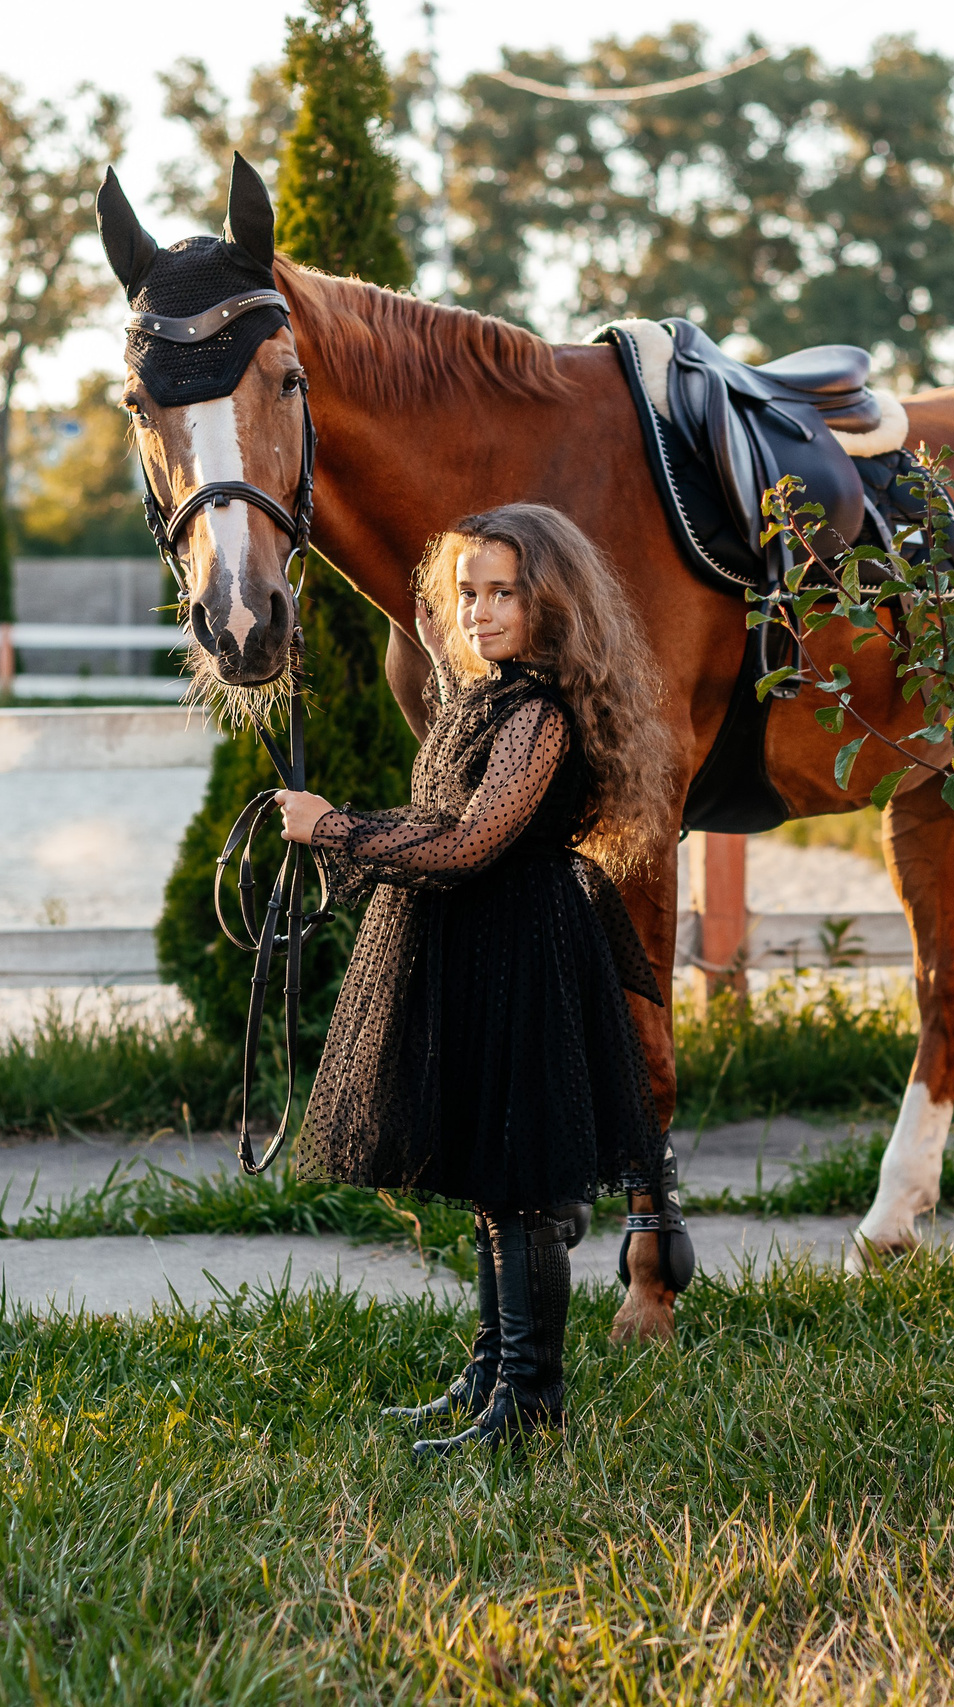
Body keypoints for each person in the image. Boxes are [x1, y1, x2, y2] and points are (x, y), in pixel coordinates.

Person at [274, 503, 676, 1454]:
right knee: (496, 1185)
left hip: (525, 955)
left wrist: (335, 829)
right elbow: (440, 824)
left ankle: (531, 1404)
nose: (483, 612)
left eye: (505, 592)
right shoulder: (485, 699)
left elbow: (468, 842)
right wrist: (351, 828)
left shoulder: (537, 712)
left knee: (524, 1187)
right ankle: (492, 1373)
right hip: (483, 948)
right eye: (468, 594)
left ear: (553, 602)